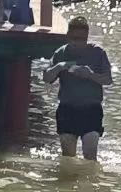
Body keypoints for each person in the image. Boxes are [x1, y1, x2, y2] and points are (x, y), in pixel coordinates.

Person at [43, 17, 113, 160]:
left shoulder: (98, 53)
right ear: (68, 36)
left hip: (91, 109)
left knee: (90, 156)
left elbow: (108, 80)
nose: (78, 42)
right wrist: (59, 67)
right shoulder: (61, 53)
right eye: (75, 38)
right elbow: (47, 78)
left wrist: (90, 75)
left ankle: (90, 174)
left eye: (82, 39)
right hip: (67, 109)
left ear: (87, 37)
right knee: (68, 157)